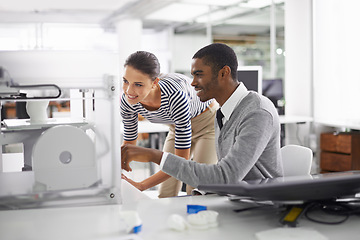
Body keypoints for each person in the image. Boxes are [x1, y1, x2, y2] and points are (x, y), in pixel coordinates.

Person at [121, 43, 283, 189]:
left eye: (199, 74)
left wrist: (154, 155)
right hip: (240, 199)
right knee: (181, 192)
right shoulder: (224, 113)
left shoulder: (257, 112)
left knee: (196, 188)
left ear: (223, 73)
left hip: (263, 206)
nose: (192, 83)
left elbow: (225, 176)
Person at [121, 50, 218, 198]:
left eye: (138, 84)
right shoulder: (127, 101)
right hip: (177, 126)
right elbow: (129, 147)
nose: (129, 90)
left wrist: (141, 185)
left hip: (207, 124)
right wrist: (119, 171)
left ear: (154, 83)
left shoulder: (174, 96)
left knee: (196, 186)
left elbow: (181, 162)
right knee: (166, 190)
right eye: (125, 81)